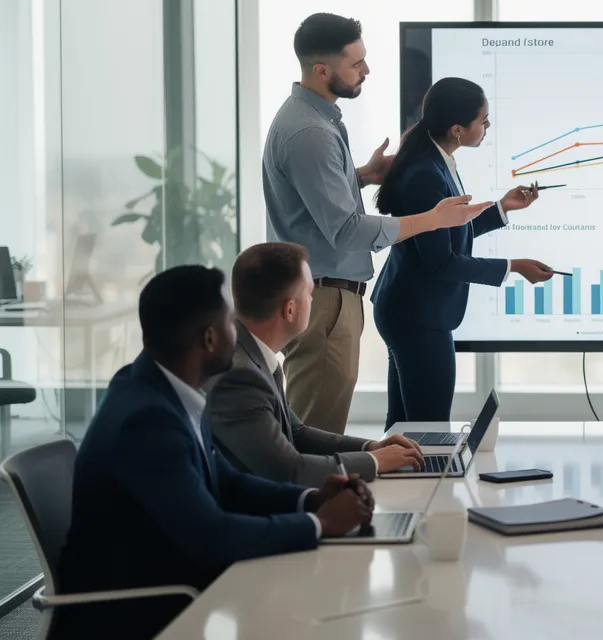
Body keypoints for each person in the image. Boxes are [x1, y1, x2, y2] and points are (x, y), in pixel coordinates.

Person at [54, 266, 374, 640]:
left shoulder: (163, 386)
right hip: (138, 615)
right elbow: (212, 537)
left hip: (172, 580)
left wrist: (311, 499)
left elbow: (227, 481)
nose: (238, 331)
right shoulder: (147, 421)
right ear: (209, 339)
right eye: (230, 322)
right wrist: (321, 524)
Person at [263, 13, 494, 434]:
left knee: (329, 429)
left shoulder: (317, 122)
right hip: (326, 300)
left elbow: (314, 202)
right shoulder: (309, 132)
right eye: (356, 64)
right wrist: (430, 220)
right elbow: (348, 230)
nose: (366, 71)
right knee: (317, 433)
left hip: (330, 295)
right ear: (322, 70)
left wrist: (362, 176)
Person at [372, 77, 555, 428]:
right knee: (427, 429)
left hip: (408, 309)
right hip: (417, 317)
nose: (487, 126)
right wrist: (513, 266)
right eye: (482, 120)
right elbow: (442, 262)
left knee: (405, 429)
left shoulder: (434, 159)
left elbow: (448, 233)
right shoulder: (427, 173)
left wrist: (502, 208)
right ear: (457, 129)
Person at [207, 242, 426, 486]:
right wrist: (374, 461)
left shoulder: (252, 355)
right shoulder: (240, 377)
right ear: (290, 309)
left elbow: (296, 432)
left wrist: (370, 446)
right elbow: (292, 471)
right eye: (309, 294)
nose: (312, 300)